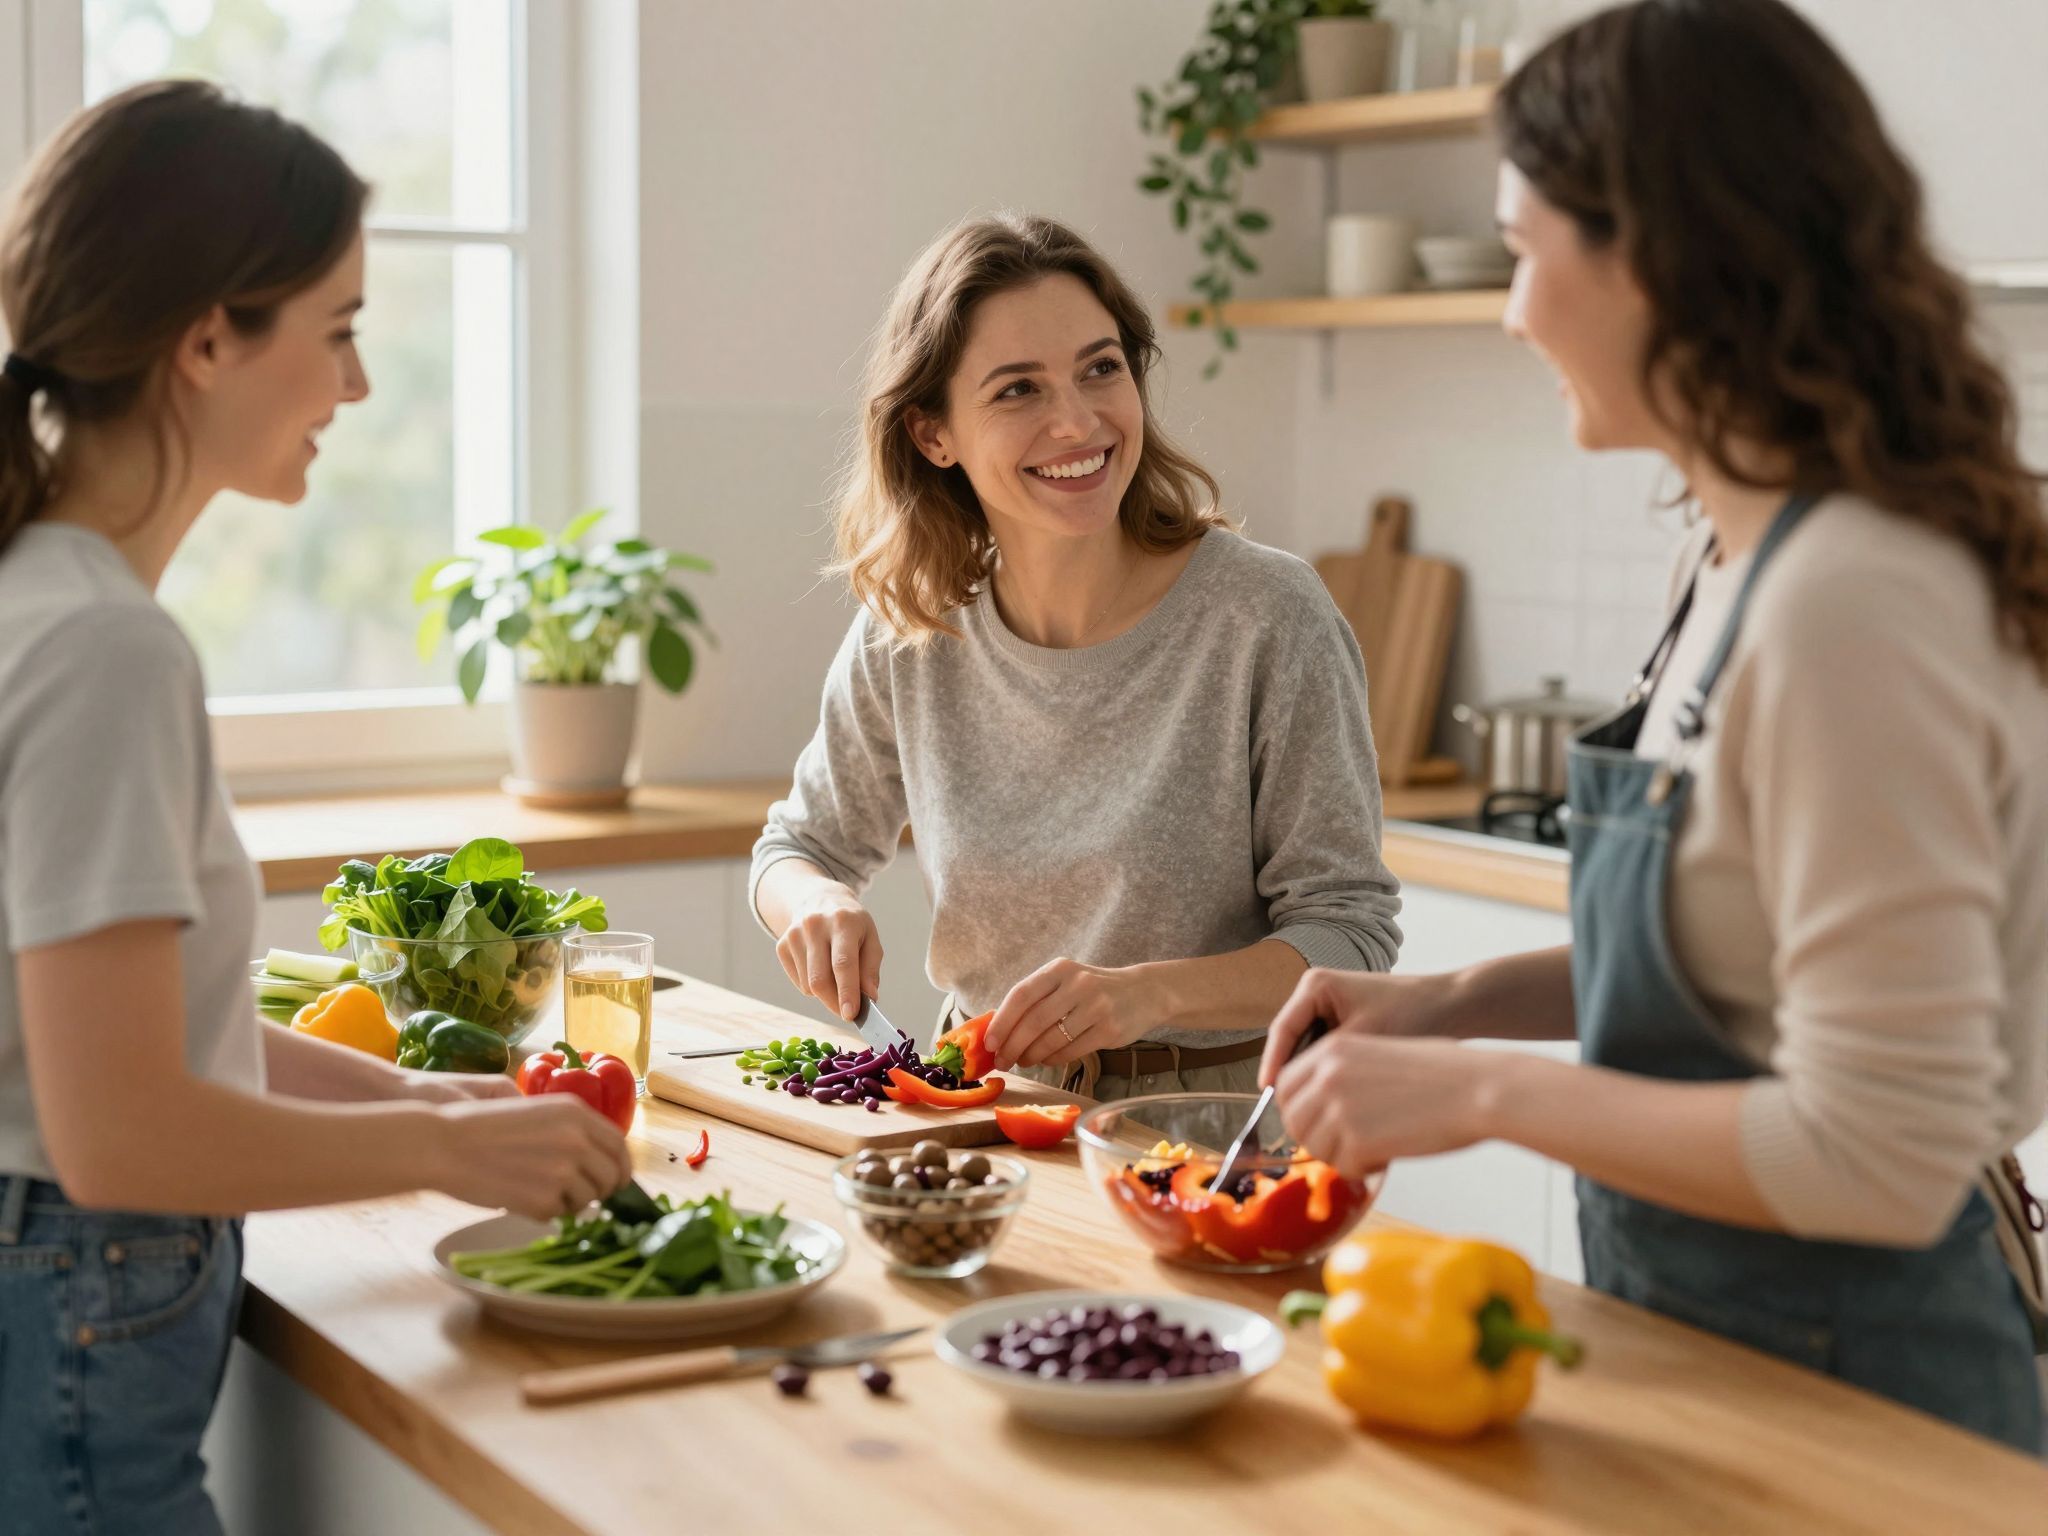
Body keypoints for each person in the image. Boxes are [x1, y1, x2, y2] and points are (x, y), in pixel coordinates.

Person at [1260, 0, 2048, 1452]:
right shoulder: (1734, 554)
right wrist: (1447, 1003)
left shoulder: (1852, 602)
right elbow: (1733, 950)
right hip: (1716, 1353)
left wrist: (1484, 1089)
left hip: (1870, 1405)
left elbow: (1876, 1154)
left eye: (1521, 250)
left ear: (1658, 254)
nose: (1509, 311)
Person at [0, 82, 631, 1532]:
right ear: (210, 336)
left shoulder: (45, 595)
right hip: (76, 1329)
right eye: (337, 329)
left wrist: (408, 1091)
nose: (355, 388)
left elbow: (142, 1031)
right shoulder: (101, 646)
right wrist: (442, 1150)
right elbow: (115, 1135)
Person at [752, 212, 1401, 1098]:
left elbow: (1349, 936)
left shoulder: (1265, 617)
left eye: (1101, 369)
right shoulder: (914, 632)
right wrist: (815, 902)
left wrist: (1146, 995)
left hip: (1208, 1133)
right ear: (932, 435)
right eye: (1018, 389)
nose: (1078, 420)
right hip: (979, 1115)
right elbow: (796, 848)